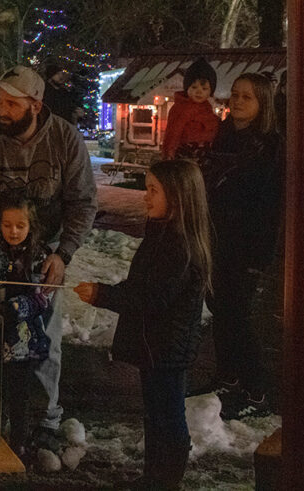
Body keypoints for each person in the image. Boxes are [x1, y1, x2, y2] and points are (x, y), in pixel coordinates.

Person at [0, 65, 97, 453]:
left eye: (10, 103)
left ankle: (45, 420)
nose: (0, 109)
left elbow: (83, 201)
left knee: (43, 338)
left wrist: (63, 254)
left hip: (42, 256)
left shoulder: (64, 140)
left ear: (35, 105)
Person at [75, 159, 211, 489]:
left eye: (153, 190)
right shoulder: (162, 232)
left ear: (177, 197)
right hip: (157, 344)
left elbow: (149, 297)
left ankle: (166, 481)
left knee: (167, 416)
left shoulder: (179, 247)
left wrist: (102, 295)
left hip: (167, 347)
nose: (145, 197)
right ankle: (155, 477)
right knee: (156, 414)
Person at [201, 72, 283, 419]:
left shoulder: (270, 147)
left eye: (246, 97)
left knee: (241, 317)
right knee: (221, 310)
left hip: (248, 242)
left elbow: (270, 203)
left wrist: (261, 254)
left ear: (262, 103)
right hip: (218, 237)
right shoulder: (224, 135)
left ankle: (257, 390)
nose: (236, 101)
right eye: (234, 94)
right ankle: (228, 377)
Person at [0, 197, 55, 456]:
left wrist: (15, 307)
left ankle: (19, 441)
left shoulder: (39, 257)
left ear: (31, 226)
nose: (13, 232)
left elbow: (43, 298)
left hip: (24, 341)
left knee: (19, 393)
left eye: (20, 226)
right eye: (7, 225)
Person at [161, 58, 219, 160]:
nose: (199, 92)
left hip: (204, 153)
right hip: (186, 153)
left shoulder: (207, 108)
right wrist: (168, 155)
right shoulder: (182, 108)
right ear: (187, 87)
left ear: (211, 91)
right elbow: (173, 133)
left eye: (204, 89)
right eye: (194, 87)